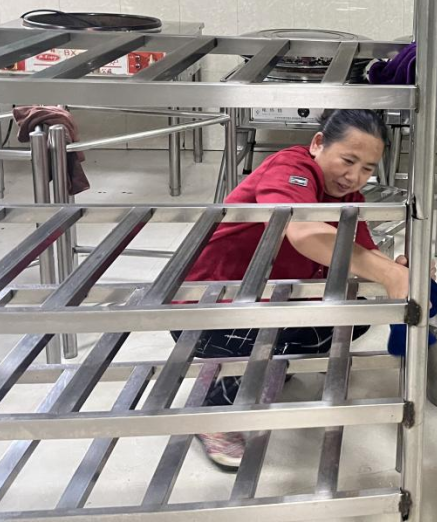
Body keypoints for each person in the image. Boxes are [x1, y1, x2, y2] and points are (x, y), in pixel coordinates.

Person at [180, 109, 421, 470]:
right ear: (318, 143)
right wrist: (386, 272)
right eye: (348, 160)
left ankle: (274, 359)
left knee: (355, 317)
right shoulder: (289, 168)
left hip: (272, 296)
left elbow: (364, 253)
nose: (354, 176)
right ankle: (212, 409)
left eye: (367, 168)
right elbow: (303, 231)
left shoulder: (349, 198)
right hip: (212, 307)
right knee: (280, 339)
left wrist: (400, 270)